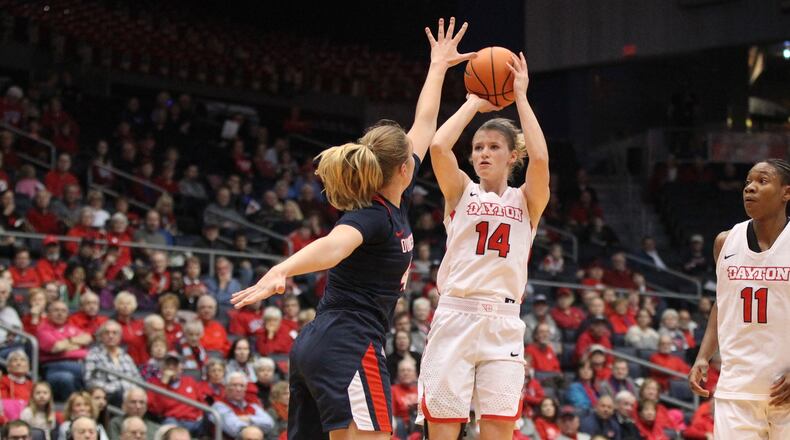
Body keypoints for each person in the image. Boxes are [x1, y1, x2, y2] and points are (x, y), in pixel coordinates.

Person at [231, 17, 474, 440]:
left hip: (315, 345)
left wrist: (438, 66)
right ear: (403, 167)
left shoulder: (393, 189)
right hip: (349, 343)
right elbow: (333, 245)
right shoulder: (372, 216)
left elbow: (424, 121)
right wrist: (281, 271)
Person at [417, 49, 550, 439]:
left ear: (513, 156)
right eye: (477, 148)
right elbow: (440, 147)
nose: (483, 153)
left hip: (504, 322)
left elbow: (541, 159)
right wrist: (473, 104)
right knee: (443, 428)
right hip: (455, 314)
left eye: (493, 147)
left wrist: (521, 96)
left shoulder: (528, 200)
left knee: (498, 429)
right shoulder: (460, 191)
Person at [688, 159, 790, 439]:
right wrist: (703, 356)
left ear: (786, 193)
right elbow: (723, 304)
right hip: (737, 390)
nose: (751, 188)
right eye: (747, 182)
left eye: (762, 181)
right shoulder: (725, 241)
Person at [212, 372, 274, 438]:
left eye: (242, 386)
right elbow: (235, 429)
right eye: (234, 385)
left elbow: (269, 424)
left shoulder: (252, 405)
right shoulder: (219, 406)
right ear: (226, 387)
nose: (239, 389)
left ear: (245, 389)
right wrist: (258, 423)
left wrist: (248, 418)